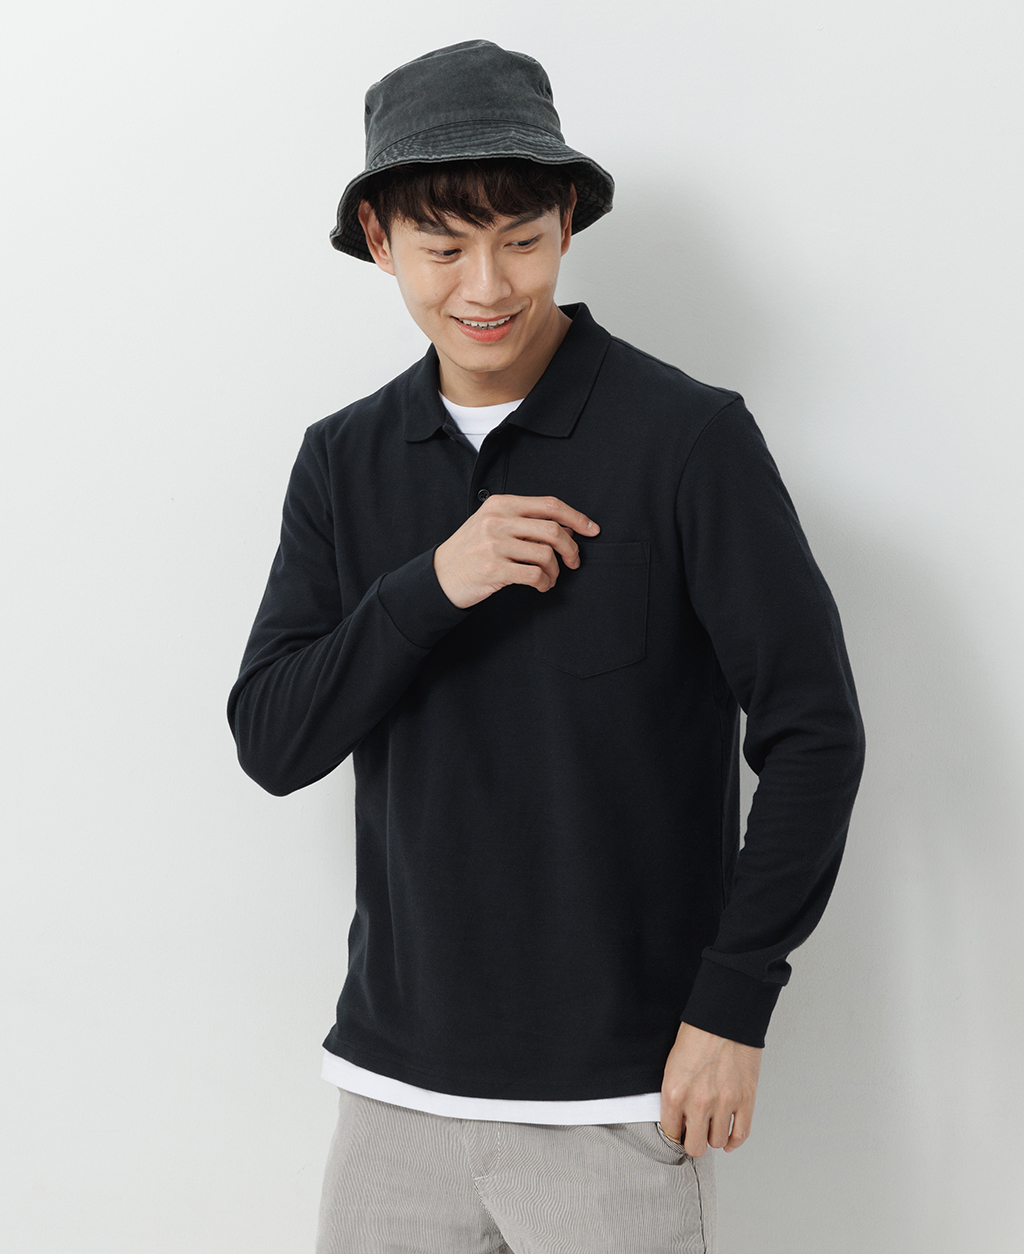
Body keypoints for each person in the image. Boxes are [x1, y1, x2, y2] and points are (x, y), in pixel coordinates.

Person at [227, 38, 866, 1254]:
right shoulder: (343, 459)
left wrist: (734, 1003)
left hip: (617, 1100)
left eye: (520, 240)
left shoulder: (687, 439)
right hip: (392, 1094)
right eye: (442, 248)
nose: (487, 285)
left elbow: (814, 732)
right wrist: (432, 585)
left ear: (567, 223)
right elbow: (272, 739)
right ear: (377, 239)